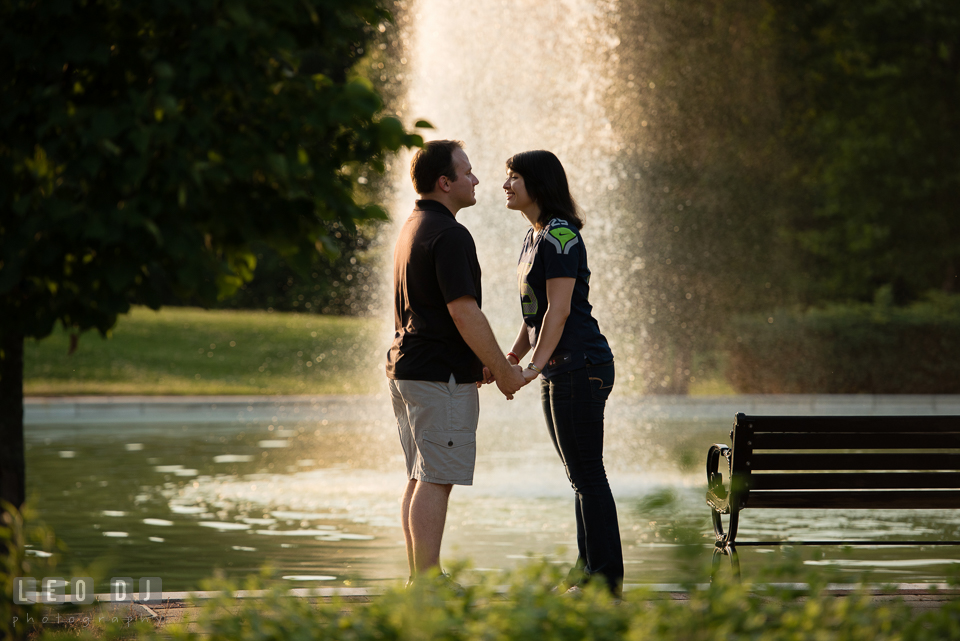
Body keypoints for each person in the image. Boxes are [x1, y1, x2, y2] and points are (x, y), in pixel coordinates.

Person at [387, 139, 528, 584]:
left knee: (420, 473)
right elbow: (463, 311)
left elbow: (435, 312)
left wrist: (479, 362)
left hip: (410, 368)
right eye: (467, 172)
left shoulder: (413, 225)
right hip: (437, 376)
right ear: (444, 183)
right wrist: (505, 372)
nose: (477, 179)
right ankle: (428, 583)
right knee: (435, 478)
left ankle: (419, 579)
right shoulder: (449, 234)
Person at [501, 150, 623, 597]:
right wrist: (513, 355)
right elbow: (533, 313)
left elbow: (560, 309)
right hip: (561, 368)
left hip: (580, 366)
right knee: (579, 475)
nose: (505, 185)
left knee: (588, 475)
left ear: (539, 183)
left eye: (514, 177)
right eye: (506, 177)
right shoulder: (535, 236)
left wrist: (533, 366)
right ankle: (586, 570)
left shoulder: (561, 235)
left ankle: (606, 582)